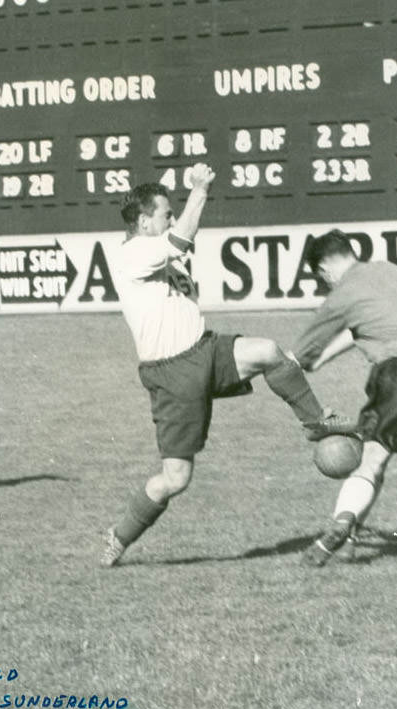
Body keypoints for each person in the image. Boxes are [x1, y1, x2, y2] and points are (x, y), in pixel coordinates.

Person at [100, 163, 350, 567]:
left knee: (269, 350)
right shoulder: (134, 252)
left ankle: (316, 421)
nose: (171, 217)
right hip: (172, 374)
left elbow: (177, 238)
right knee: (176, 479)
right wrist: (200, 189)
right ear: (144, 222)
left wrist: (184, 197)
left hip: (203, 350)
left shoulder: (155, 246)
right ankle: (120, 536)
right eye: (165, 212)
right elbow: (181, 237)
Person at [292, 229, 397, 567]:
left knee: (369, 461)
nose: (327, 286)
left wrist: (304, 360)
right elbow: (364, 325)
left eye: (324, 280)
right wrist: (325, 359)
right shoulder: (391, 271)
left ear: (325, 270)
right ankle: (351, 538)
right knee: (376, 455)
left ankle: (338, 528)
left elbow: (299, 354)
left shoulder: (342, 294)